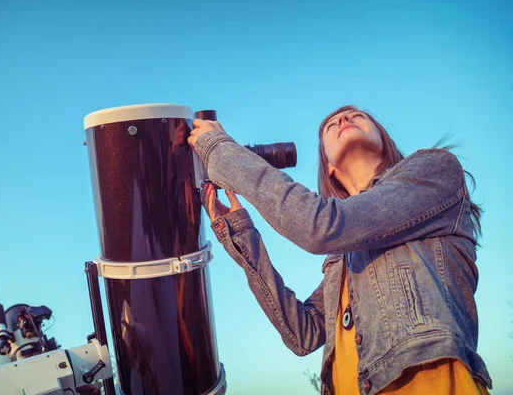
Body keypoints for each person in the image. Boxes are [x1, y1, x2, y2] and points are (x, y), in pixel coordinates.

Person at [187, 105, 492, 395]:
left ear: (383, 140)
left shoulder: (433, 170)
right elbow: (302, 333)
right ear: (329, 168)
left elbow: (319, 226)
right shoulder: (346, 255)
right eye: (332, 125)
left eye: (357, 116)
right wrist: (239, 231)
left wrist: (219, 148)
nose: (344, 118)